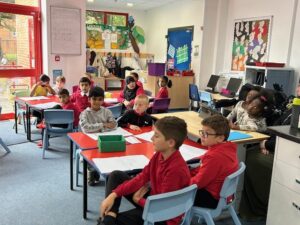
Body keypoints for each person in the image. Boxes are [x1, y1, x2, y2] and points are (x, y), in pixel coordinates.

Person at [98, 116, 190, 225]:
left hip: (162, 217)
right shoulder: (159, 155)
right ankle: (111, 214)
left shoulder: (175, 170)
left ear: (170, 143)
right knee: (115, 175)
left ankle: (109, 219)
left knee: (111, 222)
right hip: (153, 201)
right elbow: (141, 177)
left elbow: (163, 207)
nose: (151, 138)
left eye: (156, 136)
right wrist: (114, 195)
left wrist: (139, 200)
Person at [239, 83, 300, 221]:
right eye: (298, 85)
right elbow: (276, 127)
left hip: (287, 155)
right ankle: (247, 207)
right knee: (246, 153)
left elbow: (290, 137)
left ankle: (259, 208)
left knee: (251, 158)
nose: (297, 89)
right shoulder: (293, 108)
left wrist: (265, 143)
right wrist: (264, 141)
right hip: (275, 146)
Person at [190, 114, 238, 209]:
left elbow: (198, 183)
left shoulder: (214, 157)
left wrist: (181, 181)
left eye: (206, 134)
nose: (202, 136)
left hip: (212, 198)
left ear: (220, 138)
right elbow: (204, 159)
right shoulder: (227, 148)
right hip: (222, 194)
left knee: (172, 191)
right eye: (202, 132)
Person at [79, 86, 117, 185]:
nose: (96, 102)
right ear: (89, 99)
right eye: (94, 99)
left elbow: (114, 125)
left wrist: (97, 128)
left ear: (103, 100)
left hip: (104, 140)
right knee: (91, 154)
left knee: (112, 151)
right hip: (89, 143)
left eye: (100, 99)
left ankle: (109, 172)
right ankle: (92, 171)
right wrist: (103, 125)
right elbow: (85, 128)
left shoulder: (107, 111)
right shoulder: (84, 113)